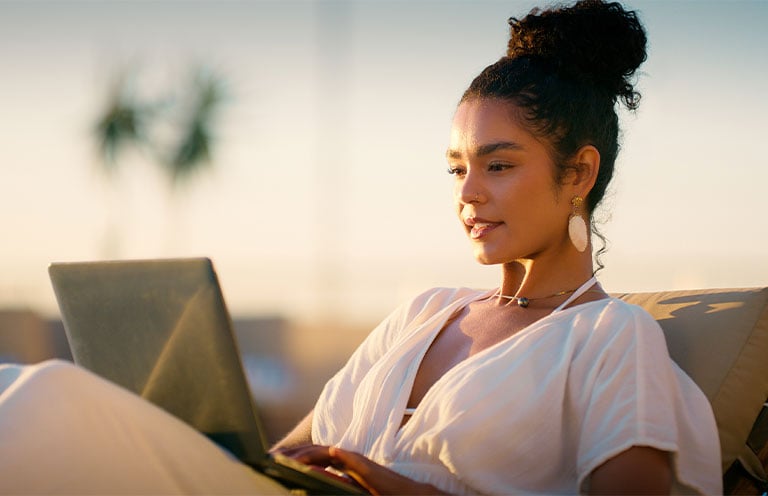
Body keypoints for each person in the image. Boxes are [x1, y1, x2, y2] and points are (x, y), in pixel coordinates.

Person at [0, 1, 721, 494]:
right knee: (17, 384)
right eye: (457, 168)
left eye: (498, 165)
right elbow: (286, 460)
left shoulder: (607, 338)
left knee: (44, 397)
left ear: (579, 173)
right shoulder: (423, 312)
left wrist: (392, 487)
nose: (468, 193)